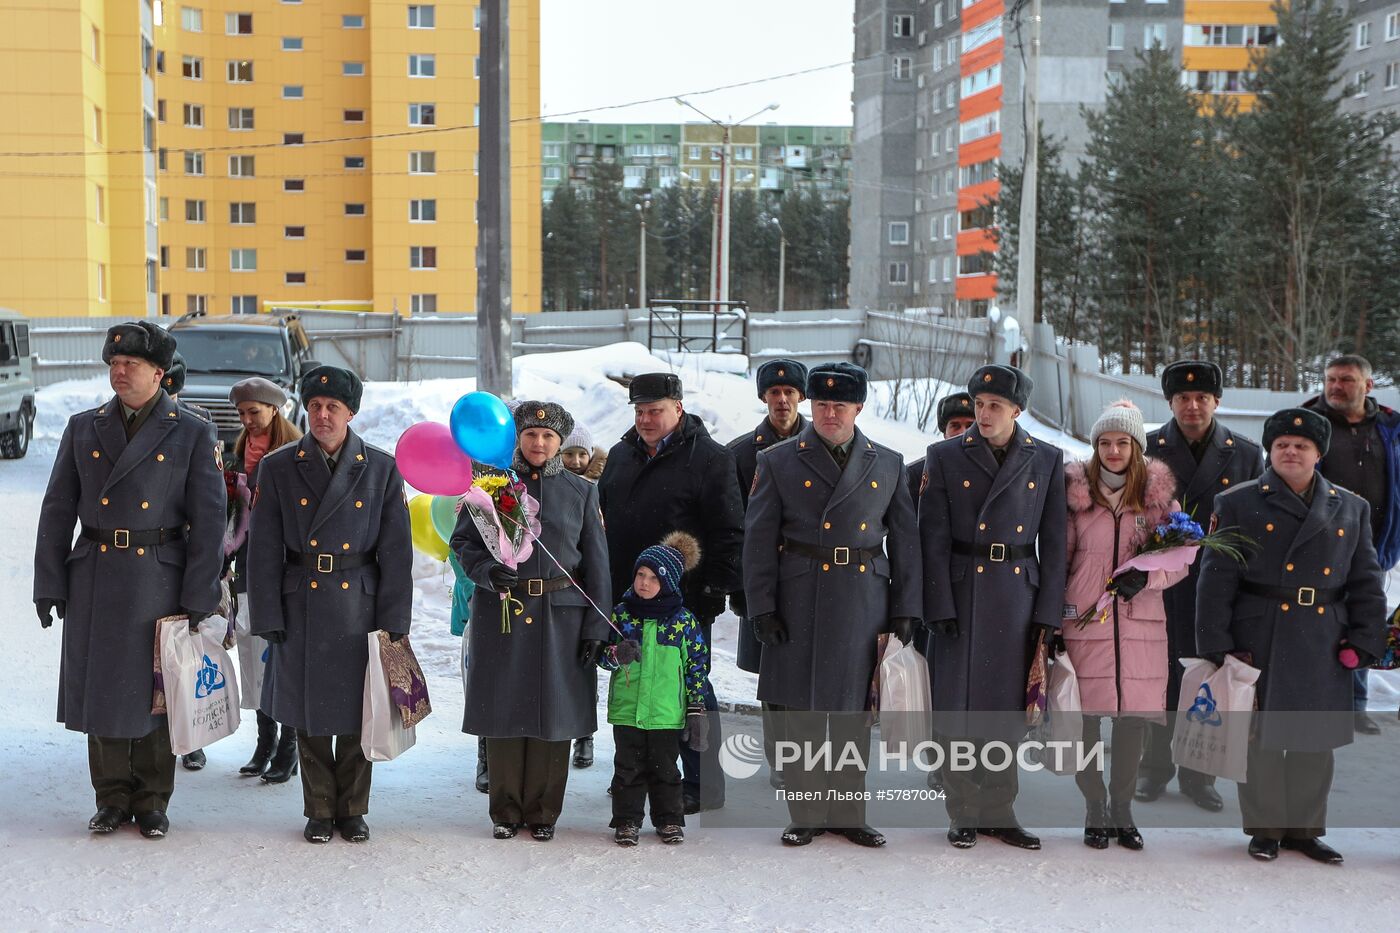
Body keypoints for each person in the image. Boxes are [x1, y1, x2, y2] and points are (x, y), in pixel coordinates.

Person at [34, 321, 226, 838]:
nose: (119, 372)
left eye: (131, 365)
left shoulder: (190, 430)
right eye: (114, 364)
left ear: (159, 374)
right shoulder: (84, 426)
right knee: (103, 690)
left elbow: (210, 521)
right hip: (95, 573)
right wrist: (49, 581)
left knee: (155, 693)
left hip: (159, 575)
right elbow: (57, 510)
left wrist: (200, 593)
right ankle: (111, 795)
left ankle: (153, 798)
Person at [1196, 408, 1386, 864]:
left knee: (1313, 739)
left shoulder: (1351, 507)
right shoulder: (1237, 503)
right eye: (1281, 444)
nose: (1291, 451)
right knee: (1260, 739)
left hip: (1324, 636)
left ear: (1319, 454)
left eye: (1301, 446)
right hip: (1259, 632)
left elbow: (1366, 580)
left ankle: (1304, 830)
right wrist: (1216, 645)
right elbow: (1215, 578)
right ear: (1269, 451)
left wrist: (1365, 639)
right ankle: (1264, 830)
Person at [745, 362, 922, 848]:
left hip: (863, 598)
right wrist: (761, 607)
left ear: (857, 408)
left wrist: (907, 606)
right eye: (821, 405)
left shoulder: (887, 463)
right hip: (797, 596)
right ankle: (804, 814)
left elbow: (906, 542)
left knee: (851, 716)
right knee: (801, 715)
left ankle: (848, 815)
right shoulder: (778, 461)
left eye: (838, 406)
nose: (828, 413)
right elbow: (758, 541)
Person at [247, 366, 413, 844]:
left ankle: (353, 809)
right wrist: (268, 615)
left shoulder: (380, 468)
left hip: (358, 603)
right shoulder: (279, 467)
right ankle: (319, 809)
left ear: (350, 413)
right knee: (311, 714)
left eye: (332, 408)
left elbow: (397, 554)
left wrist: (394, 621)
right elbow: (263, 551)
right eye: (315, 406)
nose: (322, 415)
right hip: (300, 600)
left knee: (361, 712)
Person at [919, 363, 1067, 851]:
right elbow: (932, 537)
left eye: (995, 406)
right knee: (958, 711)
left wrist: (1048, 615)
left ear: (1017, 410)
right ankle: (962, 810)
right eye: (979, 405)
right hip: (963, 592)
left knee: (1006, 712)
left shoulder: (1045, 458)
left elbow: (1056, 543)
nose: (983, 414)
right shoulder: (944, 456)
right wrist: (936, 602)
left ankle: (1000, 810)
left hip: (1016, 595)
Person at [451, 401, 611, 841]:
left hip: (561, 618)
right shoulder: (491, 488)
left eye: (548, 436)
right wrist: (486, 572)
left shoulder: (582, 492)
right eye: (530, 435)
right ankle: (504, 810)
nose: (539, 443)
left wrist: (598, 628)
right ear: (516, 439)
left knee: (552, 714)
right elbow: (463, 543)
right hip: (502, 610)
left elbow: (597, 565)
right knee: (504, 711)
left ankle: (543, 813)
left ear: (560, 442)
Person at [597, 372, 743, 814]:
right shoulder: (622, 455)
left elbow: (730, 531)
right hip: (629, 599)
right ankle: (643, 773)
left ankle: (701, 782)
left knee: (690, 688)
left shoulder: (710, 459)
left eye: (654, 410)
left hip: (685, 600)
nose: (645, 419)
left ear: (678, 408)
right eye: (639, 411)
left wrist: (715, 587)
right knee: (638, 684)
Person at [1137, 360, 1264, 812]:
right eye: (1183, 399)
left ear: (1217, 401)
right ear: (1169, 402)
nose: (1192, 406)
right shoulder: (1147, 449)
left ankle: (1199, 773)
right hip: (1160, 586)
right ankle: (1152, 768)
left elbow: (1254, 525)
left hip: (1219, 588)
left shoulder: (1245, 454)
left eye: (1202, 398)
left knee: (1206, 677)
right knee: (1159, 677)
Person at [1062, 401, 1188, 851]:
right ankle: (1094, 807)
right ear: (1095, 447)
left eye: (1123, 442)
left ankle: (1122, 809)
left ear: (1138, 448)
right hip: (1085, 622)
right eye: (1105, 442)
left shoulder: (1159, 504)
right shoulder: (1076, 499)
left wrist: (1150, 576)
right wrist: (1060, 616)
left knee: (1133, 722)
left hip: (1141, 625)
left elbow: (1181, 563)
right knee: (1086, 723)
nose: (1113, 450)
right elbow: (1062, 560)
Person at [1302, 354, 1400, 736]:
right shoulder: (1309, 424)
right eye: (1330, 379)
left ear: (1368, 386)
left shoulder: (1390, 429)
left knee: (1364, 624)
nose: (1335, 387)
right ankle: (1315, 702)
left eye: (1345, 379)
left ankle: (1355, 706)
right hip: (1319, 548)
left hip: (1375, 548)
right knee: (1315, 626)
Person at [726, 358, 808, 788]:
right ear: (763, 397)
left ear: (801, 396)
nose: (782, 400)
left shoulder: (821, 442)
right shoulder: (741, 453)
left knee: (817, 668)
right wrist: (742, 587)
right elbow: (734, 524)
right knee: (776, 674)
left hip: (812, 573)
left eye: (790, 392)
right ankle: (783, 759)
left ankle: (816, 755)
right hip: (764, 577)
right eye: (774, 393)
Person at [600, 532, 709, 846]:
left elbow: (696, 665)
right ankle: (626, 821)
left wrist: (695, 707)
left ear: (670, 583)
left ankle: (669, 820)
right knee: (627, 769)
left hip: (665, 712)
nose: (644, 583)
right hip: (628, 711)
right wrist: (616, 654)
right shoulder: (621, 616)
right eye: (640, 575)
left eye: (653, 579)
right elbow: (602, 659)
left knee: (665, 770)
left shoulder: (683, 622)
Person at [226, 376, 303, 782]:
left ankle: (288, 747)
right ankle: (264, 742)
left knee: (283, 659)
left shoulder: (294, 454)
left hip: (287, 570)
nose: (247, 421)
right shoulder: (238, 455)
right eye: (241, 414)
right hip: (248, 568)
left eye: (253, 412)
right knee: (255, 657)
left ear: (276, 409)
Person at [160, 350, 224, 772]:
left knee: (186, 653)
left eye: (172, 389)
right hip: (161, 554)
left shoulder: (197, 424)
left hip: (183, 552)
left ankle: (191, 738)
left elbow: (210, 497)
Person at [560, 421, 599, 768]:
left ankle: (584, 735)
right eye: (568, 453)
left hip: (585, 587)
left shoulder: (594, 490)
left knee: (583, 666)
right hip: (560, 590)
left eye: (580, 453)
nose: (574, 460)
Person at [906, 392, 976, 497]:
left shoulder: (993, 469)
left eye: (970, 426)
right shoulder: (917, 473)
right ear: (944, 433)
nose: (963, 433)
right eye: (955, 426)